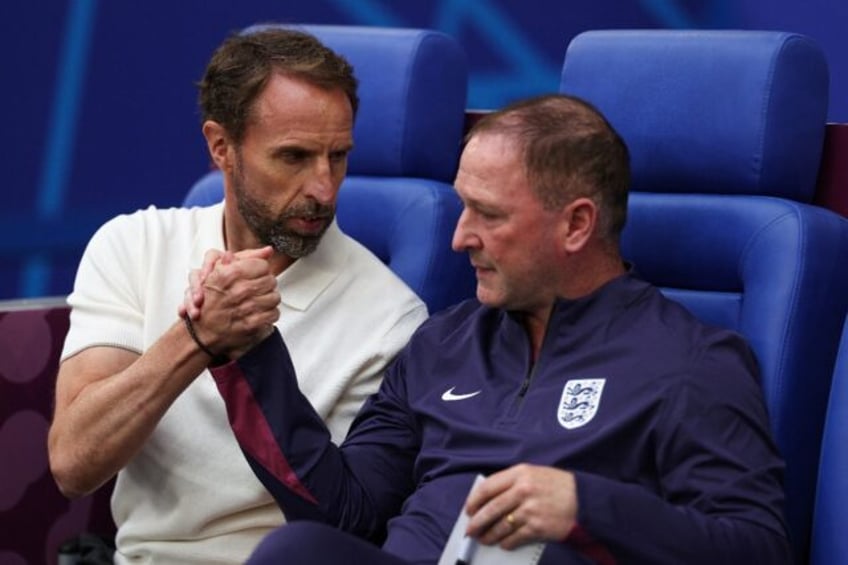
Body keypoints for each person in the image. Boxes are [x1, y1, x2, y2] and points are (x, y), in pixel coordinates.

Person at [190, 94, 793, 564]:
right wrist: (248, 349)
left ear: (576, 225)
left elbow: (757, 549)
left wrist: (586, 508)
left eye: (490, 214)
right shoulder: (441, 344)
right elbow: (347, 514)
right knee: (297, 553)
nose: (460, 237)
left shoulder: (691, 360)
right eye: (461, 207)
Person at [47, 28, 428, 564]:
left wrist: (242, 350)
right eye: (293, 156)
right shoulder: (132, 244)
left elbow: (341, 523)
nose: (324, 188)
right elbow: (73, 464)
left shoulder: (393, 318)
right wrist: (197, 339)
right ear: (221, 146)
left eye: (338, 156)